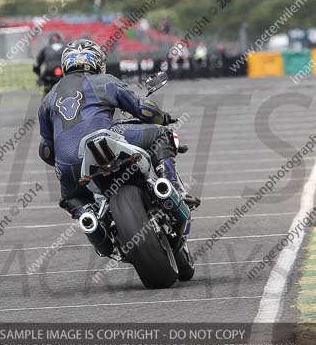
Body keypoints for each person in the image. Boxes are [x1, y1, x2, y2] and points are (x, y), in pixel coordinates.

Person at [37, 39, 198, 239]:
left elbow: (45, 151)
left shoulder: (47, 99)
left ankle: (89, 218)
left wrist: (65, 162)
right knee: (161, 134)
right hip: (106, 141)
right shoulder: (104, 81)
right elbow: (143, 109)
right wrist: (163, 117)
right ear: (97, 62)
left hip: (69, 164)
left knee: (72, 198)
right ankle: (171, 186)